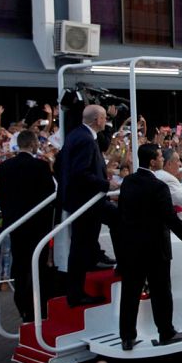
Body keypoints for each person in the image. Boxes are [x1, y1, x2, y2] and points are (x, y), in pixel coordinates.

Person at [118, 144, 182, 351]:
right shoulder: (158, 187)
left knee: (130, 292)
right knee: (161, 292)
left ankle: (127, 337)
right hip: (156, 249)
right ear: (152, 162)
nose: (162, 160)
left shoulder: (128, 182)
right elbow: (171, 220)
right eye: (159, 157)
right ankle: (166, 332)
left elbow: (121, 215)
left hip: (131, 248)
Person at [55, 105, 119, 308]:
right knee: (82, 245)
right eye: (104, 117)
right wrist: (105, 184)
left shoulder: (78, 135)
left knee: (85, 242)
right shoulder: (84, 139)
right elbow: (80, 173)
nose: (105, 120)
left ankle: (95, 259)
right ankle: (76, 293)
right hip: (86, 201)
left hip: (85, 200)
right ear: (97, 120)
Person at [0, 131, 56, 321]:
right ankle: (38, 309)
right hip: (38, 226)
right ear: (32, 145)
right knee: (38, 267)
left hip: (15, 226)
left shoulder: (5, 167)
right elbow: (50, 195)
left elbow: (2, 196)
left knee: (20, 267)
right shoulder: (40, 166)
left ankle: (23, 308)